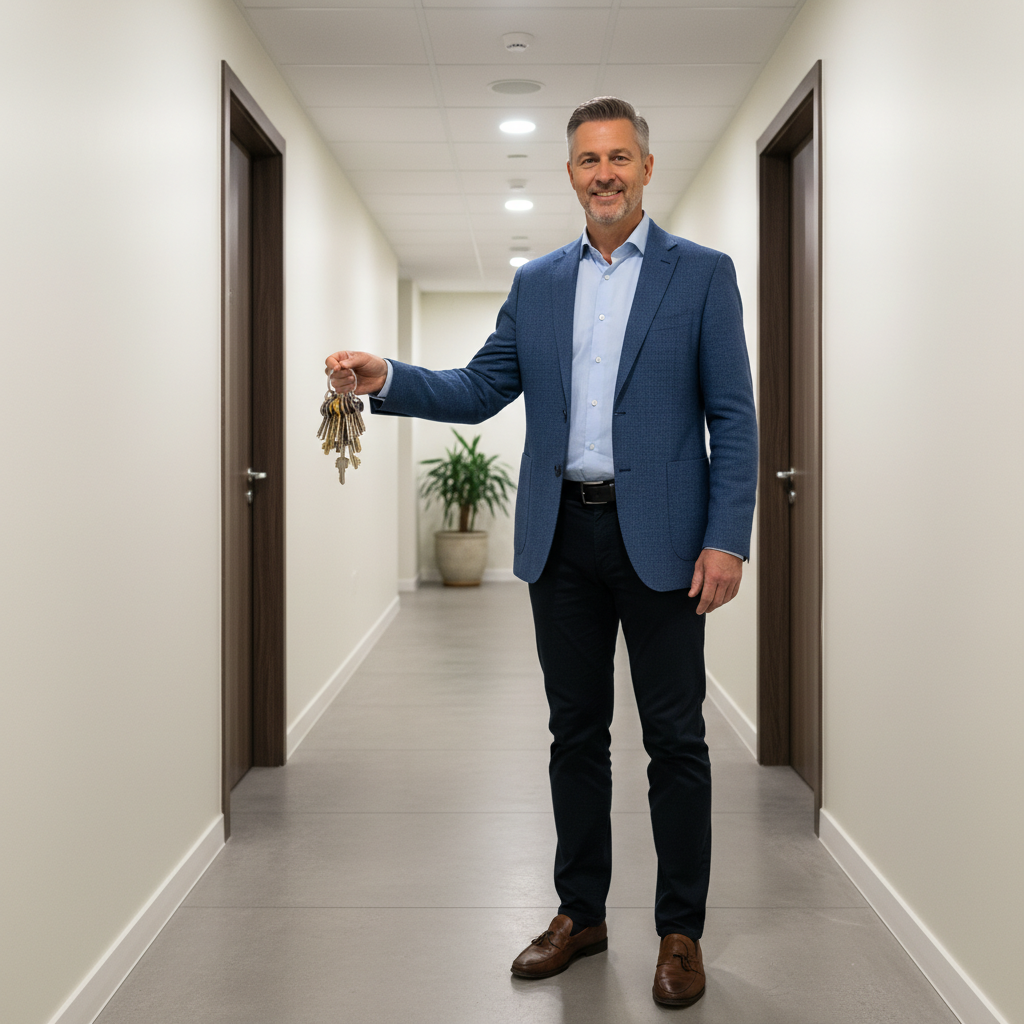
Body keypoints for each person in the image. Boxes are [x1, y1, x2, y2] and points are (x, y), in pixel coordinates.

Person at [326, 96, 757, 1009]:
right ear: (570, 174)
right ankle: (581, 913)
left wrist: (727, 538)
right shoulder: (540, 284)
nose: (604, 173)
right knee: (576, 734)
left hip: (665, 542)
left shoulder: (702, 275)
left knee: (676, 740)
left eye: (619, 157)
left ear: (647, 168)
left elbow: (733, 416)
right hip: (561, 538)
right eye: (588, 160)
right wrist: (387, 377)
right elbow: (482, 386)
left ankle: (680, 931)